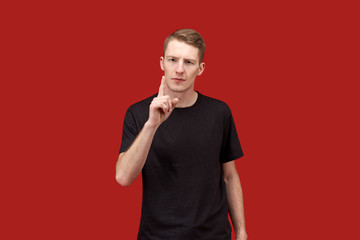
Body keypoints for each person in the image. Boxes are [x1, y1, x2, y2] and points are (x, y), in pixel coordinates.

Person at [116, 29, 247, 240]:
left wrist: (241, 232)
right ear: (161, 63)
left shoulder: (219, 112)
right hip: (158, 236)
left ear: (200, 68)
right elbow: (123, 177)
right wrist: (151, 124)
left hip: (213, 235)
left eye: (188, 62)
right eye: (172, 59)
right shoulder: (138, 113)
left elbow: (229, 176)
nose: (179, 69)